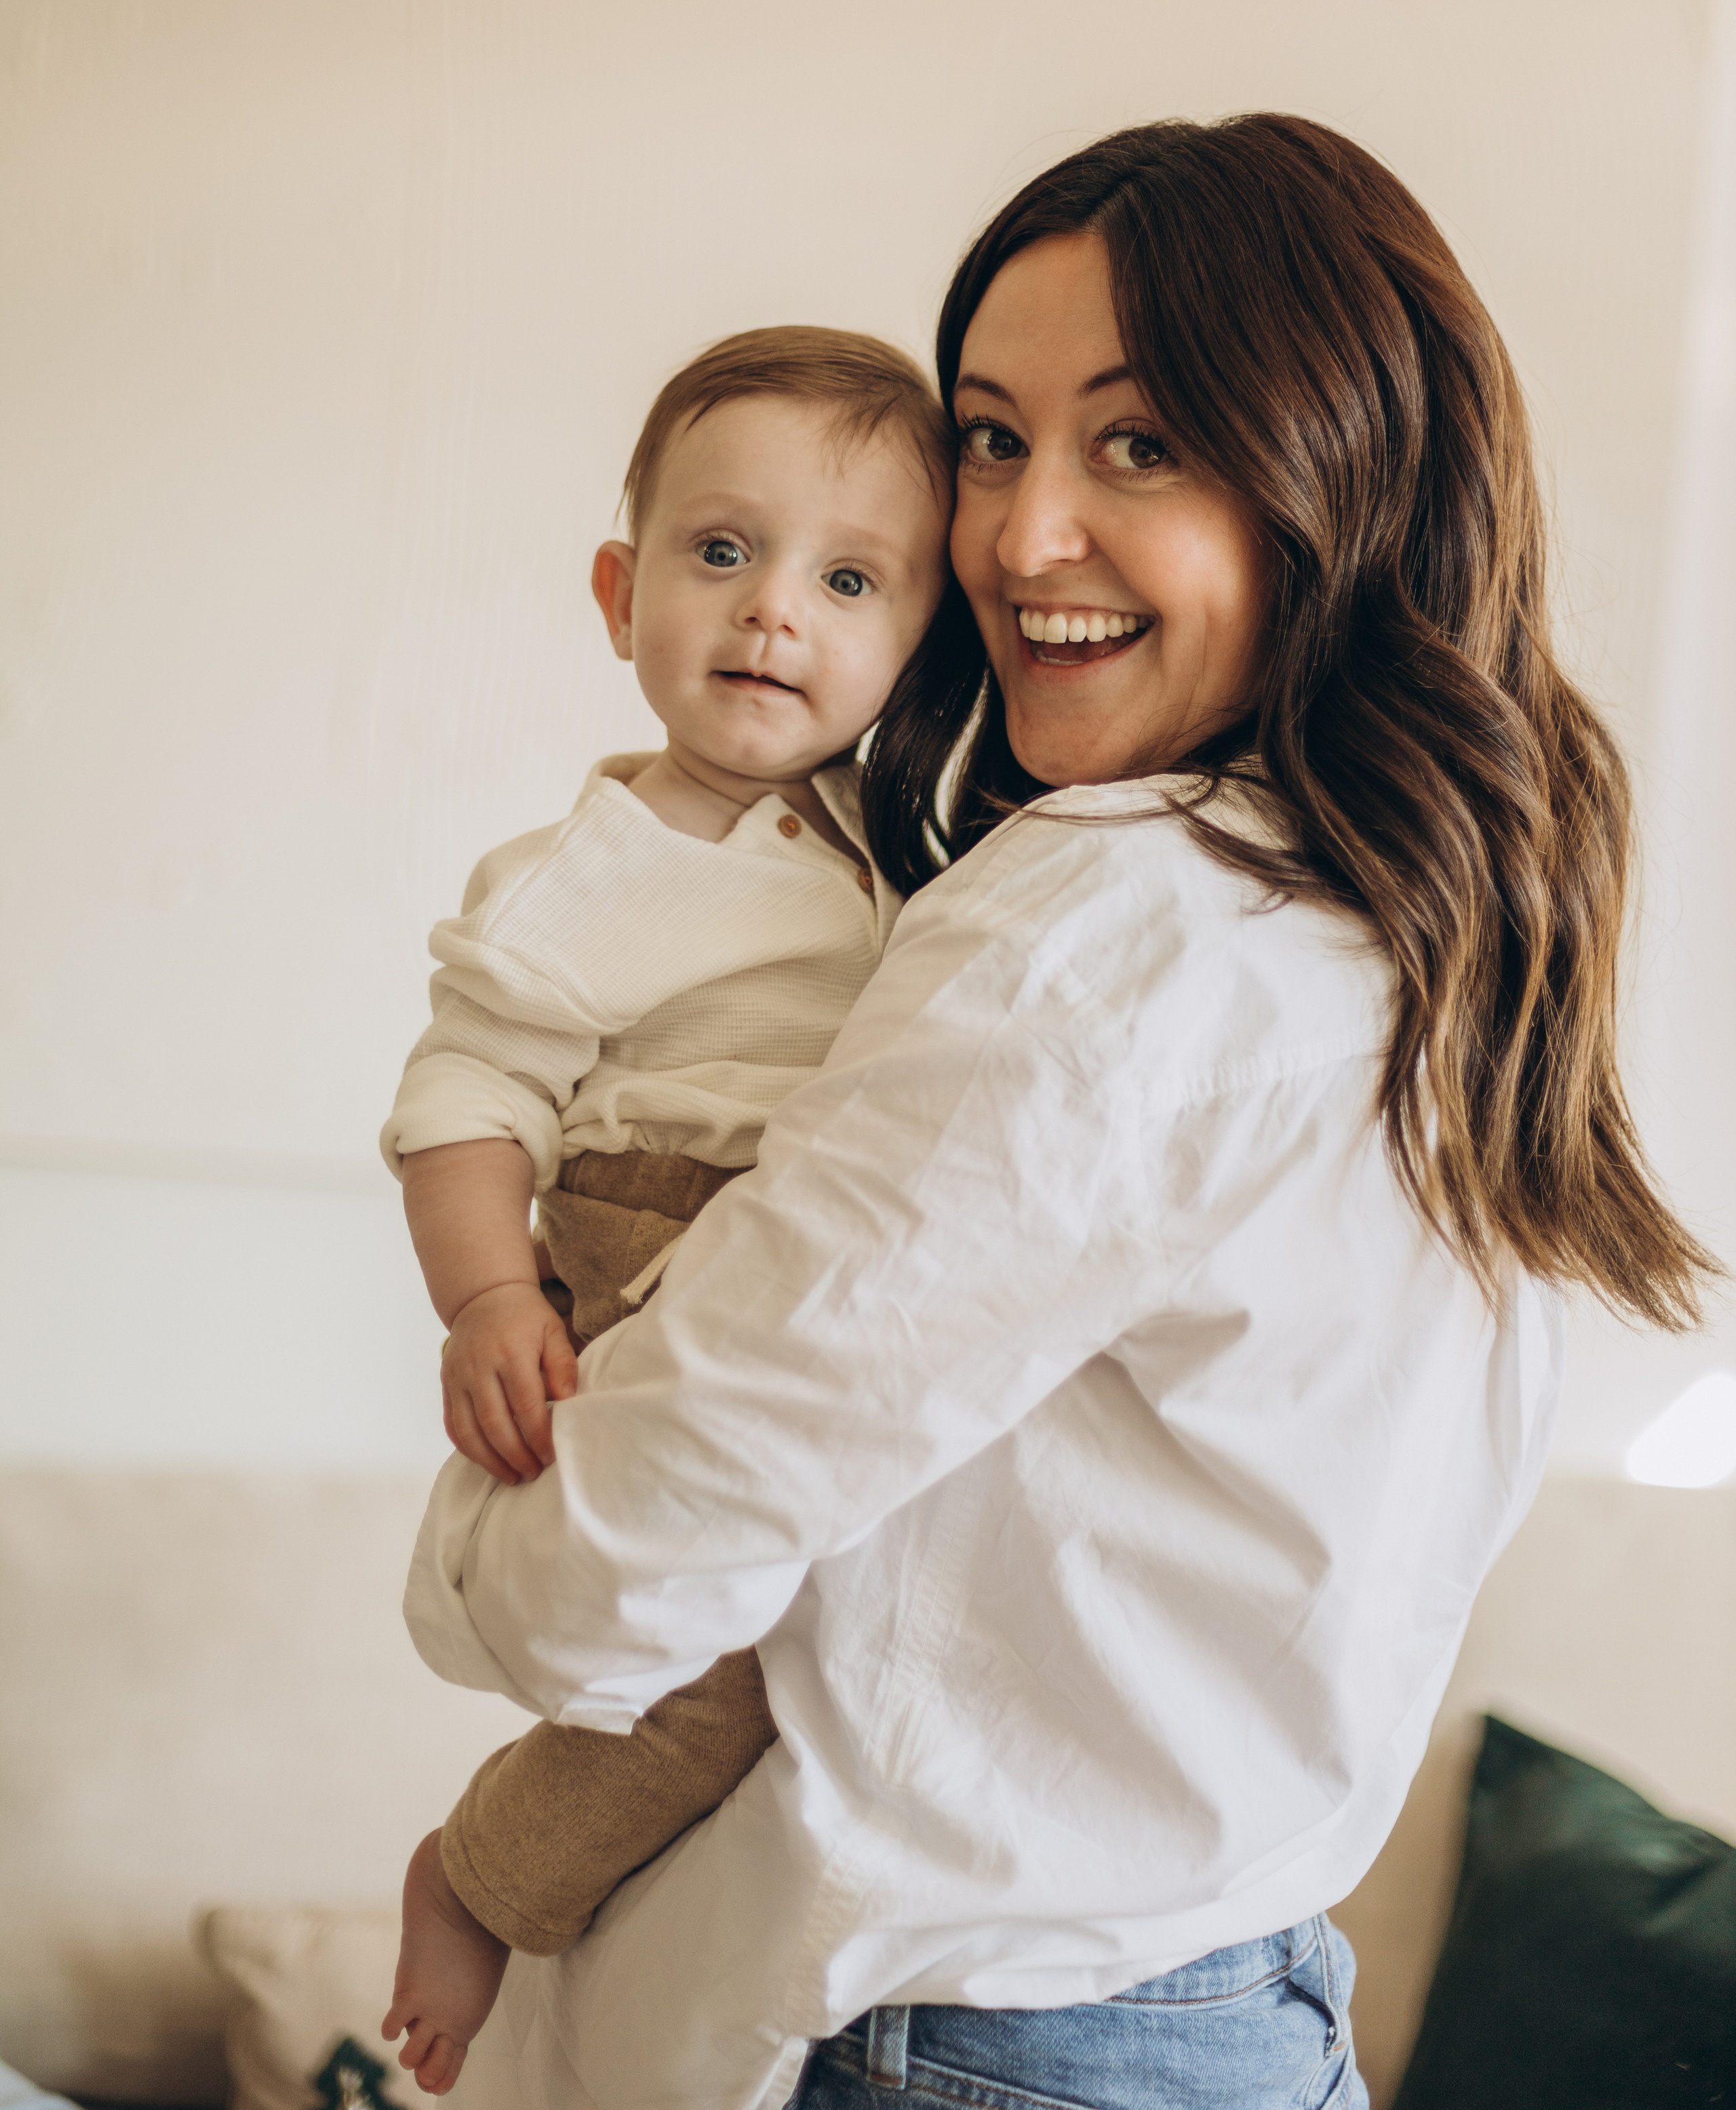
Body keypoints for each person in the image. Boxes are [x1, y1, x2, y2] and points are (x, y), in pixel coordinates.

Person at [399, 117, 1712, 2110]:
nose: (1016, 540)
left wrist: (484, 1551)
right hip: (1234, 2008)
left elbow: (618, 1577)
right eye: (991, 441)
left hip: (974, 2043)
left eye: (1140, 443)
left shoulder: (1112, 928)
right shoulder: (1443, 929)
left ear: (1337, 478)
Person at [378, 328, 952, 2082]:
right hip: (648, 1230)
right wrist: (491, 1301)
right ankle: (480, 1879)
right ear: (623, 595)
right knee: (717, 1673)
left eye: (848, 580)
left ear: (920, 645)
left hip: (816, 1241)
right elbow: (466, 1098)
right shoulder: (589, 869)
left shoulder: (899, 840)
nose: (775, 612)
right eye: (723, 554)